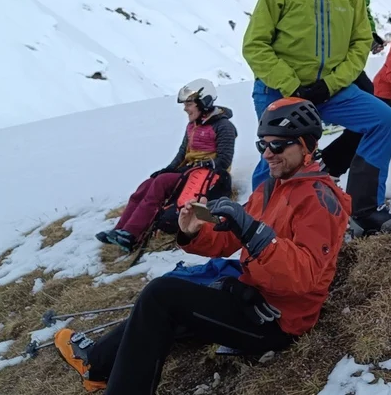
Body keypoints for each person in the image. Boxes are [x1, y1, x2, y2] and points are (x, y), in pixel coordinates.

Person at [55, 98, 350, 394]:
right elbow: (228, 240)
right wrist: (193, 232)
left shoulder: (320, 201)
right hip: (253, 293)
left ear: (306, 144)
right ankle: (97, 363)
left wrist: (254, 232)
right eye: (263, 145)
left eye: (278, 145)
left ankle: (103, 369)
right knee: (171, 294)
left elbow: (305, 276)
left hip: (278, 319)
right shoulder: (272, 187)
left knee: (162, 296)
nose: (267, 154)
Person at [242, 0, 391, 236]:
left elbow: (360, 42)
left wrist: (329, 85)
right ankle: (260, 227)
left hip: (329, 89)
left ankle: (364, 210)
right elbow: (254, 45)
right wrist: (292, 86)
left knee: (383, 120)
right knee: (278, 153)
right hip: (279, 90)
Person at [95, 79, 236, 251]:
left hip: (207, 175)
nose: (185, 109)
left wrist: (202, 164)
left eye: (189, 104)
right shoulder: (192, 126)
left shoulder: (224, 126)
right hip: (189, 170)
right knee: (147, 185)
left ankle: (131, 234)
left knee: (160, 184)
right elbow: (182, 153)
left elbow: (224, 160)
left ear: (204, 102)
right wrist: (168, 169)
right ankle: (119, 230)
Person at [318, 0, 389, 178]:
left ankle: (329, 168)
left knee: (374, 112)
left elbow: (363, 8)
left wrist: (369, 33)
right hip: (321, 61)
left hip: (348, 60)